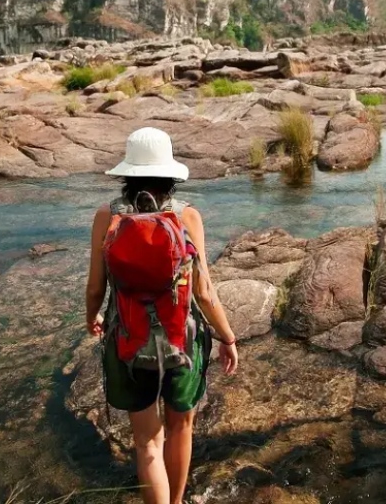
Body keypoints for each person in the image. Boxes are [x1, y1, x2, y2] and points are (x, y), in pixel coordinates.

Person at [85, 127, 240, 504]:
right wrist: (228, 337)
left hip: (128, 340)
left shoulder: (107, 216)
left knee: (146, 443)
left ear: (126, 174)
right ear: (171, 174)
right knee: (181, 427)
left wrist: (92, 318)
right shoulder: (187, 216)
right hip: (182, 341)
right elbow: (203, 292)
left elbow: (95, 287)